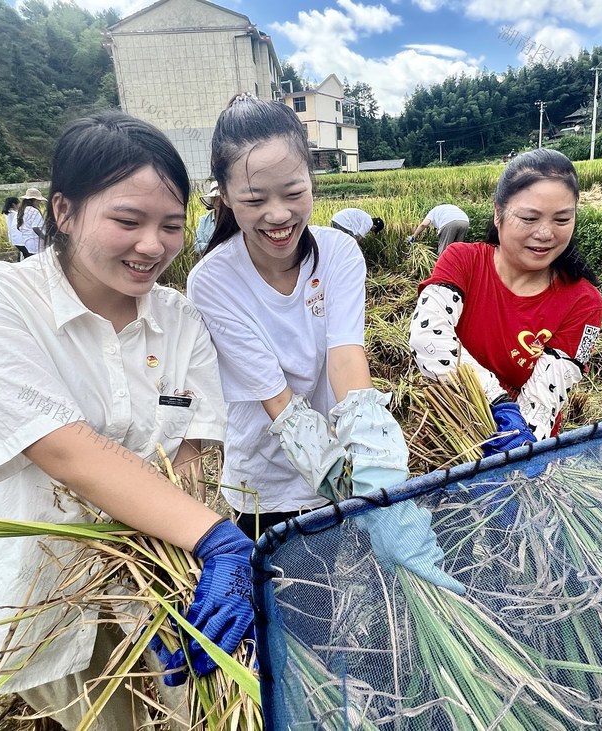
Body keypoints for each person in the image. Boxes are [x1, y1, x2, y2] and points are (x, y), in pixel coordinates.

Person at [0, 110, 251, 730]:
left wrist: (181, 565)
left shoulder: (182, 320)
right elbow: (64, 450)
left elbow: (193, 454)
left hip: (166, 582)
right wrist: (214, 536)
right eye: (127, 221)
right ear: (64, 211)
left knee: (201, 714)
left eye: (170, 225)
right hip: (46, 591)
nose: (152, 245)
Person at [187, 94, 462, 593]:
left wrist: (376, 475)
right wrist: (335, 472)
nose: (278, 215)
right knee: (289, 608)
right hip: (265, 483)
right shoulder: (213, 280)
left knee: (338, 596)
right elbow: (274, 396)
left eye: (293, 192)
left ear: (312, 181)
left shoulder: (338, 253)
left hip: (341, 460)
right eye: (254, 200)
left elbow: (346, 357)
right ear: (224, 196)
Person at [409, 148, 602, 453]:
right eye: (529, 218)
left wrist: (519, 445)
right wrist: (497, 402)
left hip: (527, 437)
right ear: (498, 213)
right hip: (449, 432)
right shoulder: (463, 261)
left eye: (562, 219)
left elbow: (548, 393)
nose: (545, 233)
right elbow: (428, 336)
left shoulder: (585, 302)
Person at [16, 187, 46, 257]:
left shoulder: (23, 210)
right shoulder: (34, 211)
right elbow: (36, 228)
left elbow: (19, 226)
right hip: (36, 242)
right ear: (34, 200)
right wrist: (47, 239)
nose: (40, 202)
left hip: (28, 242)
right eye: (39, 200)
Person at [193, 180, 220, 255]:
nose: (218, 202)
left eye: (220, 198)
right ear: (212, 200)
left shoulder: (232, 220)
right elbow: (197, 246)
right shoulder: (204, 220)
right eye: (215, 198)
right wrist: (215, 246)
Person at [2, 196, 26, 260]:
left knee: (21, 254)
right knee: (25, 255)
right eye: (19, 203)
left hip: (13, 237)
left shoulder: (7, 214)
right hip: (19, 237)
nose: (20, 205)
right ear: (14, 204)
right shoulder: (15, 214)